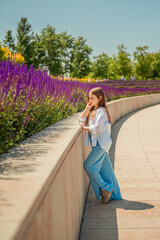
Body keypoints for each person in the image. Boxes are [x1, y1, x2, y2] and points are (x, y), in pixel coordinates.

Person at [78, 87, 122, 203]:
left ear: (100, 98)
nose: (90, 100)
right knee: (107, 172)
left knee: (88, 165)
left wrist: (85, 128)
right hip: (96, 144)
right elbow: (80, 121)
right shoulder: (93, 111)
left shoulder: (102, 111)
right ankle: (115, 195)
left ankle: (107, 188)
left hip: (101, 145)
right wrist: (87, 109)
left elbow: (98, 128)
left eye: (92, 98)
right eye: (89, 98)